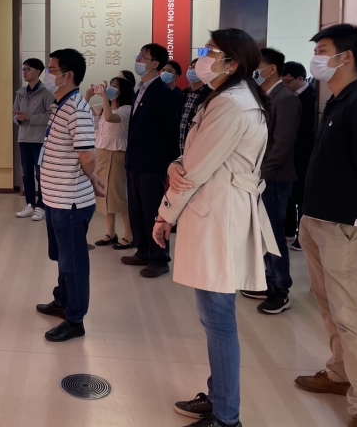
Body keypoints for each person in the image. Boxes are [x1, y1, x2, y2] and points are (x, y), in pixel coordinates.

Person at [152, 29, 279, 427]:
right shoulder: (231, 98)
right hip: (220, 211)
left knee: (218, 320)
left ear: (233, 62)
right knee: (214, 318)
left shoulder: (231, 104)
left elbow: (194, 170)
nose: (203, 58)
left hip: (218, 217)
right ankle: (220, 396)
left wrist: (164, 216)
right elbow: (194, 157)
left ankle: (226, 416)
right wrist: (176, 163)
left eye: (211, 51)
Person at [294, 24, 357, 427]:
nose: (317, 58)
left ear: (345, 57)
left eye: (323, 50)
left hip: (344, 225)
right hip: (316, 218)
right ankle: (339, 372)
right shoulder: (336, 101)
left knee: (348, 313)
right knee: (327, 304)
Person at [35, 49, 106, 343]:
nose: (47, 75)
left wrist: (91, 177)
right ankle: (62, 301)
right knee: (61, 256)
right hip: (55, 197)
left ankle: (75, 319)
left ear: (69, 75)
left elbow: (87, 155)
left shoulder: (77, 109)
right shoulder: (60, 105)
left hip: (70, 201)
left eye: (52, 70)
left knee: (73, 262)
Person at [240, 48, 301, 314]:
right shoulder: (264, 96)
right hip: (257, 177)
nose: (254, 71)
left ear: (271, 68)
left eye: (257, 66)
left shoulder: (285, 99)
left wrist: (261, 173)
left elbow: (281, 146)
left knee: (273, 234)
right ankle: (266, 281)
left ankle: (280, 289)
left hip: (273, 179)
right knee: (262, 234)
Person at [121, 43, 180, 278]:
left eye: (143, 57)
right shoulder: (141, 89)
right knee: (136, 209)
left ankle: (159, 258)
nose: (138, 60)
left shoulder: (162, 92)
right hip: (135, 160)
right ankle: (143, 250)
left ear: (155, 64)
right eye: (138, 55)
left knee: (153, 211)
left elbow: (170, 131)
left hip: (153, 163)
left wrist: (171, 163)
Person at [87, 77, 134, 250]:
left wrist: (105, 98)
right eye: (111, 86)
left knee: (118, 195)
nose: (111, 89)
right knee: (104, 195)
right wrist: (88, 96)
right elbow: (83, 111)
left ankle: (129, 235)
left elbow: (109, 117)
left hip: (117, 153)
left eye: (115, 87)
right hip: (102, 152)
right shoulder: (104, 105)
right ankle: (110, 233)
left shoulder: (126, 109)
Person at [13, 58, 55, 222]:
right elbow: (14, 114)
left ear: (37, 72)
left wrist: (30, 117)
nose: (24, 72)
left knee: (40, 174)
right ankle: (30, 204)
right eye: (23, 69)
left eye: (27, 69)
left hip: (39, 140)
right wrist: (19, 118)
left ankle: (41, 206)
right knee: (26, 174)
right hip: (23, 138)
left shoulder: (47, 93)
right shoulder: (20, 93)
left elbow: (51, 116)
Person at [281, 61, 316, 251]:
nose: (285, 85)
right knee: (290, 193)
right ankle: (288, 230)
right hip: (290, 153)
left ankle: (301, 237)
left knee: (302, 195)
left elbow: (307, 129)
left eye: (288, 81)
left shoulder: (312, 97)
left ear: (300, 78)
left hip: (304, 153)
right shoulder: (290, 96)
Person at [179, 58, 211, 153]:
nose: (191, 70)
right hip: (178, 148)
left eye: (195, 67)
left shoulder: (210, 96)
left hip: (197, 148)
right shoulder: (182, 94)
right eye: (190, 67)